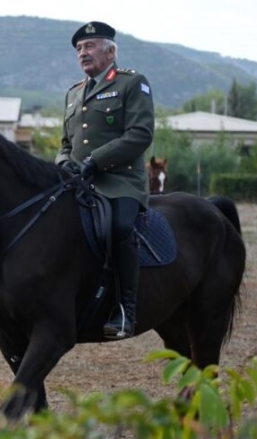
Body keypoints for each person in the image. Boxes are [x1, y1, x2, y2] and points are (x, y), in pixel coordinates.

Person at [55, 21, 155, 340]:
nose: (83, 53)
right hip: (79, 183)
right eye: (79, 49)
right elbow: (65, 145)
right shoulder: (73, 93)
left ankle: (126, 309)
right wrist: (62, 166)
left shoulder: (132, 83)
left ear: (110, 51)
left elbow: (140, 135)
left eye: (90, 47)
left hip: (120, 182)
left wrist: (94, 161)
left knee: (120, 228)